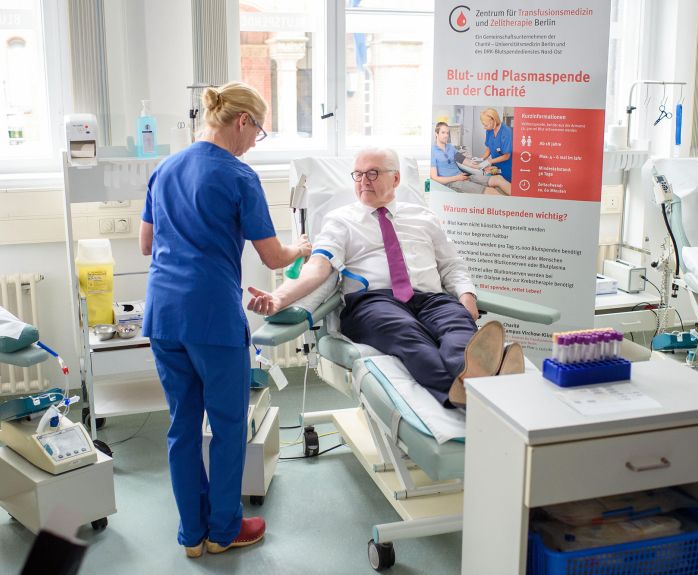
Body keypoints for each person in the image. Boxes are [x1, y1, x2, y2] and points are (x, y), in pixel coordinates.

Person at [139, 81, 311, 558]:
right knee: (230, 423)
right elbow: (274, 257)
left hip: (164, 316)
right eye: (259, 130)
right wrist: (302, 248)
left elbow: (147, 246)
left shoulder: (164, 168)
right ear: (242, 121)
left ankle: (191, 534)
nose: (257, 140)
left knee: (182, 425)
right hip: (212, 316)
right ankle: (223, 530)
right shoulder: (239, 176)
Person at [247, 148, 523, 409]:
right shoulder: (340, 220)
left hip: (431, 299)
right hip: (373, 302)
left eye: (373, 173)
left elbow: (452, 265)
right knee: (409, 335)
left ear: (396, 178)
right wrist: (277, 298)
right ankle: (470, 391)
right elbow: (318, 268)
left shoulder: (423, 217)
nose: (363, 181)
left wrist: (466, 297)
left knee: (457, 328)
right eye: (358, 174)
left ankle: (474, 374)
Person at [430, 122, 501, 195]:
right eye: (443, 132)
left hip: (463, 176)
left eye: (447, 133)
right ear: (436, 133)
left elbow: (465, 161)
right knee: (490, 191)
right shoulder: (432, 152)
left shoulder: (450, 147)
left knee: (497, 180)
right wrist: (457, 178)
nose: (446, 135)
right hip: (452, 182)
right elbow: (435, 178)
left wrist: (483, 167)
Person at [472, 108, 512, 183]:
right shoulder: (489, 130)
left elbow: (506, 156)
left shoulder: (506, 132)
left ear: (493, 121)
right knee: (495, 183)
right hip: (495, 165)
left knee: (504, 185)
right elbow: (489, 148)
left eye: (485, 125)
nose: (484, 127)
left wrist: (489, 161)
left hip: (506, 167)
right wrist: (482, 159)